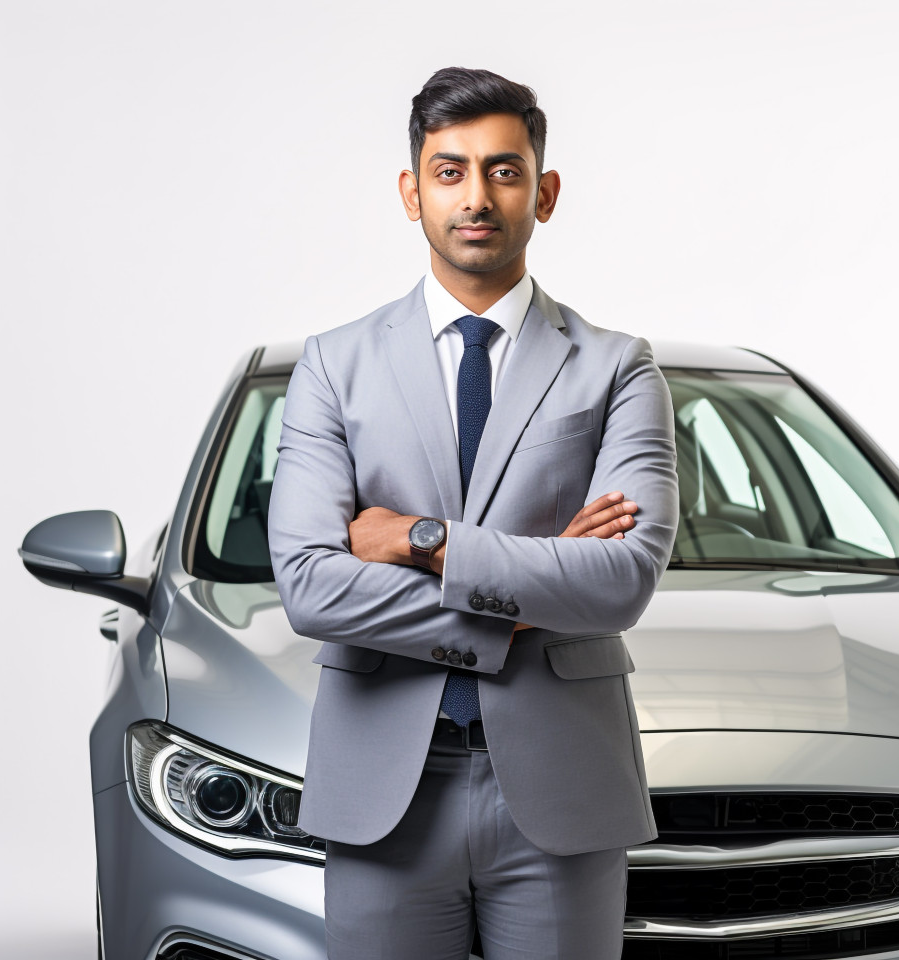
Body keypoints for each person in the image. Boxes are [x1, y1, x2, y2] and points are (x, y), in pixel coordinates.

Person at [268, 66, 679, 960]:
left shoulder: (617, 368)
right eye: (450, 171)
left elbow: (620, 580)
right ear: (412, 192)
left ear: (545, 191)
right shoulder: (332, 366)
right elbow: (311, 588)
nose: (478, 196)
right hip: (382, 793)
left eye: (504, 169)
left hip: (564, 793)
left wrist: (422, 541)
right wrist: (530, 592)